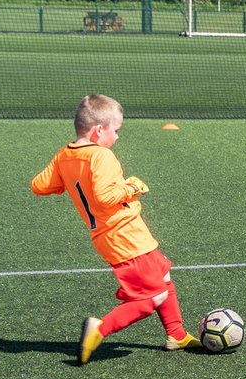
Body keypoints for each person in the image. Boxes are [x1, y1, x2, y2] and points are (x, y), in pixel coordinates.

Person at [31, 94, 201, 364]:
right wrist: (132, 186)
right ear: (99, 130)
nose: (117, 137)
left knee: (163, 274)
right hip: (124, 236)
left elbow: (39, 185)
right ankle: (99, 329)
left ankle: (176, 334)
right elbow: (105, 196)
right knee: (152, 296)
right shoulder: (102, 155)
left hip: (113, 235)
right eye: (116, 130)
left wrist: (70, 179)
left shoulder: (65, 155)